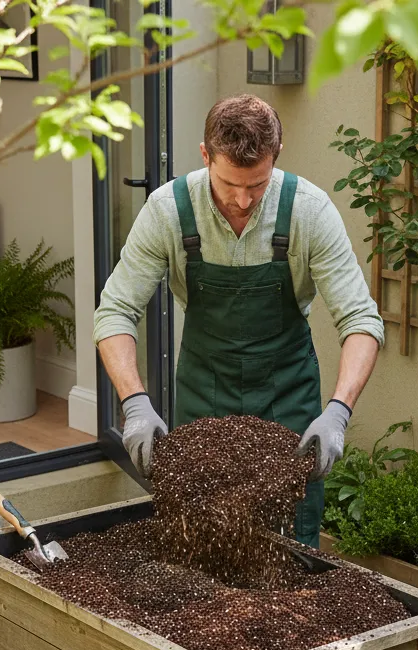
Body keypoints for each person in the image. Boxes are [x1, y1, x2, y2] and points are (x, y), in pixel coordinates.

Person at [94, 93, 384, 546]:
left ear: (277, 156)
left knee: (287, 550)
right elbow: (116, 310)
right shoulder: (168, 211)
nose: (243, 199)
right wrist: (134, 405)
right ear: (205, 155)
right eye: (230, 183)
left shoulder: (308, 211)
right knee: (200, 542)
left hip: (287, 402)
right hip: (203, 396)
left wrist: (338, 413)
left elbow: (361, 320)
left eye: (258, 184)